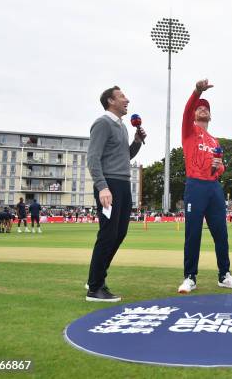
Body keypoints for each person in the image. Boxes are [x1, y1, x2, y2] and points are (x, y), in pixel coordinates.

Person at [177, 79, 232, 294]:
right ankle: (189, 277)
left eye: (206, 108)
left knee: (221, 233)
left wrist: (219, 167)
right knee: (193, 233)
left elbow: (220, 168)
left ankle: (224, 275)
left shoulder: (215, 141)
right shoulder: (189, 131)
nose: (202, 108)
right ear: (194, 114)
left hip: (213, 187)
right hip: (195, 185)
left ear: (210, 115)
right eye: (199, 107)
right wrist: (197, 91)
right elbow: (187, 110)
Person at [85, 85, 146, 302]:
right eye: (122, 97)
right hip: (109, 185)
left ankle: (96, 275)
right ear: (111, 101)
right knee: (108, 234)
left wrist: (137, 142)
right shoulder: (102, 123)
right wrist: (102, 187)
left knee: (119, 234)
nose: (127, 100)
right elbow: (92, 158)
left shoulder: (122, 127)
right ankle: (95, 287)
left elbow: (124, 156)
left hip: (122, 184)